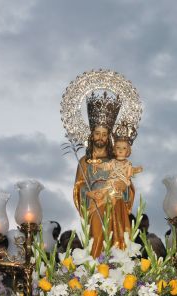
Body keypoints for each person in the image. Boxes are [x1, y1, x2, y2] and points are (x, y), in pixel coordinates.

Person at [73, 92, 135, 258]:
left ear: (109, 138)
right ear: (91, 135)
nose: (100, 137)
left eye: (104, 134)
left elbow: (128, 185)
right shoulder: (84, 162)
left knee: (117, 240)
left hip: (115, 204)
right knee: (97, 238)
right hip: (94, 205)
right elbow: (78, 187)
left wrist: (124, 188)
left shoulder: (116, 160)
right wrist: (91, 193)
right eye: (97, 133)